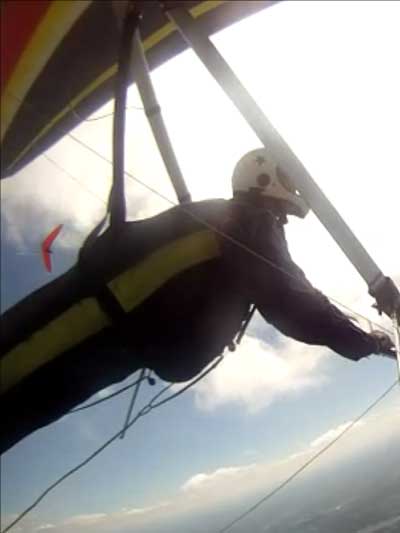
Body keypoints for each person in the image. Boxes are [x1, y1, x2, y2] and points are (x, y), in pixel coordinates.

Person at [0, 148, 395, 454]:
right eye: (288, 180)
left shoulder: (236, 220)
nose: (292, 194)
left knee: (17, 409)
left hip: (106, 340)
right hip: (88, 326)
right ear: (264, 178)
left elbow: (291, 289)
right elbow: (293, 300)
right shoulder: (247, 221)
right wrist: (368, 342)